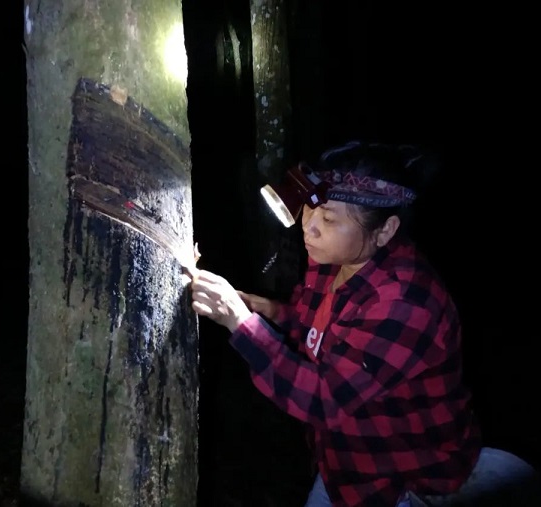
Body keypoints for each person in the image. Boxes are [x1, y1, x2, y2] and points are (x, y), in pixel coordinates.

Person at [189, 140, 483, 506]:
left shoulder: (404, 304)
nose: (309, 228)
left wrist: (241, 323)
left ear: (385, 230)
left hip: (402, 473)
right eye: (310, 210)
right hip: (344, 458)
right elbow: (313, 325)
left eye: (328, 220)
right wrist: (270, 312)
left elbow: (324, 399)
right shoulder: (333, 259)